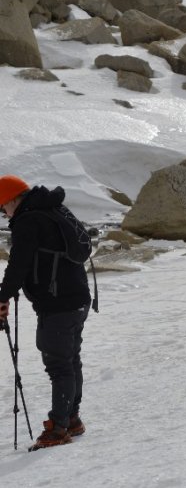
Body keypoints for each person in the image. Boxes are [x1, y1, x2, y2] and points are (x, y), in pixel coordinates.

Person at [0, 175, 91, 450]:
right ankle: (71, 419)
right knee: (70, 360)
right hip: (78, 298)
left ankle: (59, 428)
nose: (4, 213)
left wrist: (3, 296)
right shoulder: (53, 209)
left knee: (59, 365)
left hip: (58, 304)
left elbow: (19, 264)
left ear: (12, 199)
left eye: (3, 207)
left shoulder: (29, 220)